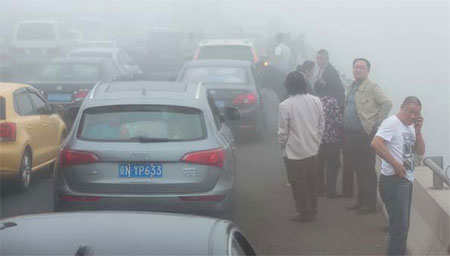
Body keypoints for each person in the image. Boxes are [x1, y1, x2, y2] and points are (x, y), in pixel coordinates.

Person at [371, 96, 425, 255]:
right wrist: (395, 164)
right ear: (402, 107)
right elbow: (375, 143)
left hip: (406, 181)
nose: (413, 116)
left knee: (402, 227)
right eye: (410, 111)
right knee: (399, 228)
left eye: (417, 113)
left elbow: (421, 152)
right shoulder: (391, 123)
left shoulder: (410, 128)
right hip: (393, 181)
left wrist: (418, 131)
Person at [343, 58, 393, 214]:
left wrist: (376, 123)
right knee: (358, 168)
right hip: (352, 135)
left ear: (367, 71)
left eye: (362, 68)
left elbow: (387, 103)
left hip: (365, 134)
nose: (358, 70)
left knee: (367, 169)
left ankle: (370, 204)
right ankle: (361, 200)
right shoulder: (352, 87)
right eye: (356, 67)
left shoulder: (372, 88)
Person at [278, 71, 325, 222]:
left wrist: (283, 147)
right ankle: (313, 208)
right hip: (313, 148)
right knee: (312, 181)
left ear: (288, 86)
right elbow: (321, 123)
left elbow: (282, 131)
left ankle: (304, 212)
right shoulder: (316, 100)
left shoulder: (285, 105)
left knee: (298, 183)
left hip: (294, 151)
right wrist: (317, 141)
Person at [316, 84, 343, 197]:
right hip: (332, 139)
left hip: (317, 140)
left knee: (318, 166)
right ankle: (330, 191)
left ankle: (319, 190)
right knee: (332, 166)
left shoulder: (314, 101)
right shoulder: (333, 102)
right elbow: (338, 120)